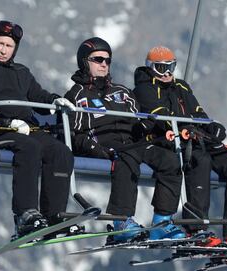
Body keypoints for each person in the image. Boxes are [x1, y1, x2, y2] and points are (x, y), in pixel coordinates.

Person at [0, 20, 76, 239]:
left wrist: (56, 101)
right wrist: (5, 123)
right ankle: (25, 215)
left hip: (24, 128)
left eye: (8, 46)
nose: (3, 50)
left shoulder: (21, 72)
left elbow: (38, 95)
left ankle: (54, 215)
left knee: (60, 151)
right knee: (29, 148)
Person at [133, 46, 227, 249]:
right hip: (169, 142)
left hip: (198, 139)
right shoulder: (144, 88)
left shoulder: (181, 87)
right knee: (199, 159)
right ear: (151, 68)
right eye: (161, 68)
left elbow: (199, 113)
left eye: (171, 67)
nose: (167, 73)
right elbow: (161, 117)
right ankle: (196, 229)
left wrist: (212, 128)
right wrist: (186, 129)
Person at [64, 37, 185, 242]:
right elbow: (74, 135)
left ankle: (162, 222)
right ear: (84, 61)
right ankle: (121, 221)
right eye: (98, 59)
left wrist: (155, 132)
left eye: (107, 60)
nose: (104, 64)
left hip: (133, 143)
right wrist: (96, 150)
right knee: (127, 157)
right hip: (104, 145)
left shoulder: (121, 92)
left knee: (170, 160)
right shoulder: (76, 96)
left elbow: (139, 122)